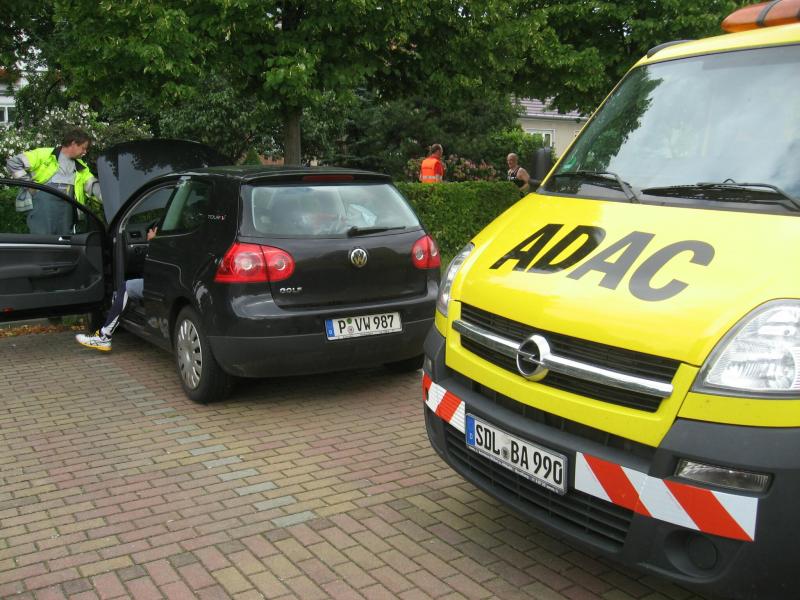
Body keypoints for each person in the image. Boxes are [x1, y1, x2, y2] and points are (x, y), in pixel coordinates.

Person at [75, 224, 157, 352]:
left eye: (152, 230)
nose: (149, 232)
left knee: (125, 288)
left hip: (160, 283)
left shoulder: (162, 241)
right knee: (129, 286)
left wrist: (153, 240)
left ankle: (104, 336)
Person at [6, 128, 103, 235]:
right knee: (42, 242)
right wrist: (29, 185)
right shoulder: (44, 154)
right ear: (73, 143)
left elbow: (93, 186)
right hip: (41, 213)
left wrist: (108, 199)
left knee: (64, 243)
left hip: (66, 218)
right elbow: (13, 163)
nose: (85, 152)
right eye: (83, 148)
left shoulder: (81, 167)